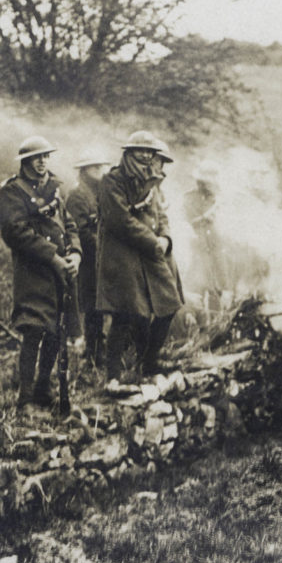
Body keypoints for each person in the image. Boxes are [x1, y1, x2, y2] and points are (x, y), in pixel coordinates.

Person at [0, 136, 81, 413]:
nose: (43, 161)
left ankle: (44, 389)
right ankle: (25, 398)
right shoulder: (11, 192)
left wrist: (76, 254)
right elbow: (16, 232)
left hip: (60, 272)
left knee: (56, 333)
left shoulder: (56, 187)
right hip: (33, 272)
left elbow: (69, 224)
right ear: (26, 161)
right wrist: (52, 257)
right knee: (34, 330)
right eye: (37, 157)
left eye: (46, 156)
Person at [97, 130, 184, 383]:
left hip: (151, 253)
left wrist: (166, 238)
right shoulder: (112, 181)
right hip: (123, 255)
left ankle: (149, 361)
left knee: (169, 303)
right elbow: (120, 221)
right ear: (129, 152)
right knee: (125, 314)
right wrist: (152, 241)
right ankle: (113, 376)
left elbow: (160, 214)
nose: (146, 156)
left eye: (150, 152)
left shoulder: (153, 180)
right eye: (140, 151)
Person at [66, 150, 110, 369]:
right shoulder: (77, 195)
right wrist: (102, 249)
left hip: (101, 258)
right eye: (95, 168)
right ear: (84, 171)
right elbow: (81, 230)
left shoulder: (100, 192)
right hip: (88, 260)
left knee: (101, 305)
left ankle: (99, 351)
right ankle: (92, 356)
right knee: (92, 306)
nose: (100, 172)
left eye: (101, 167)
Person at [183, 162, 228, 310]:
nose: (208, 185)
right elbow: (185, 222)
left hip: (216, 251)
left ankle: (216, 327)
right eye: (205, 181)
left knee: (217, 292)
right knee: (196, 293)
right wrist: (204, 217)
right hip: (196, 252)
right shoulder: (189, 198)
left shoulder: (219, 198)